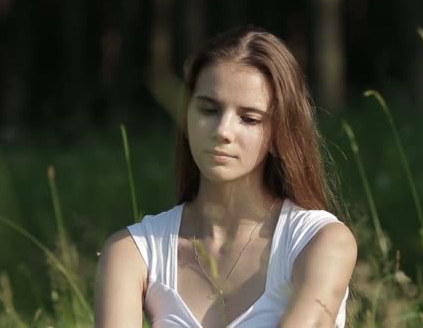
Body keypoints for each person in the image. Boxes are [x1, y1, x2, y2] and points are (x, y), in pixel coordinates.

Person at [95, 26, 357, 328]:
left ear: (278, 132)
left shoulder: (321, 243)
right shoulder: (131, 253)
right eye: (209, 109)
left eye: (249, 118)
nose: (222, 131)